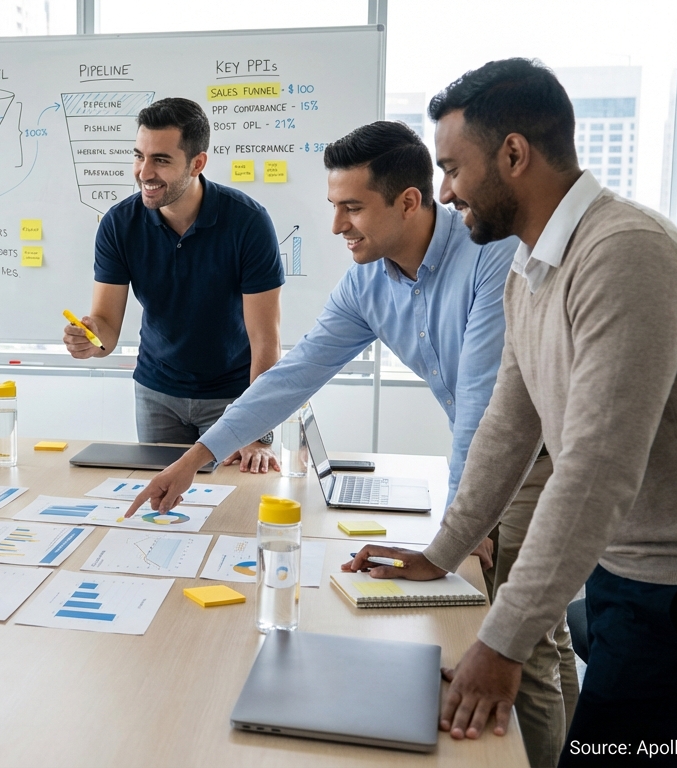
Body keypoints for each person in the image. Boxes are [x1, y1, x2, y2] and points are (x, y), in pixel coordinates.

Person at [126, 120, 576, 766]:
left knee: (519, 646)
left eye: (352, 208)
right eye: (334, 206)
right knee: (546, 637)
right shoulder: (369, 280)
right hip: (489, 455)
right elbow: (296, 372)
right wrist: (197, 458)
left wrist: (463, 521)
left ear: (409, 202)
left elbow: (482, 403)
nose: (337, 226)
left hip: (533, 459)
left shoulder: (489, 259)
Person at [341, 59, 677, 766]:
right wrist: (444, 550)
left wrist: (502, 638)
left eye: (453, 168)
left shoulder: (625, 256)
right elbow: (508, 425)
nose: (447, 191)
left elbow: (594, 467)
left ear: (513, 154)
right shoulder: (532, 267)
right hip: (632, 570)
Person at [61, 97, 285, 472]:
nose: (143, 172)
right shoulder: (119, 224)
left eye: (160, 160)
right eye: (139, 156)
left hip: (232, 397)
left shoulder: (248, 223)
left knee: (231, 505)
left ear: (197, 163)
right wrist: (90, 340)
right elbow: (107, 329)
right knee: (163, 511)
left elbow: (266, 342)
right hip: (156, 393)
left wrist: (257, 431)